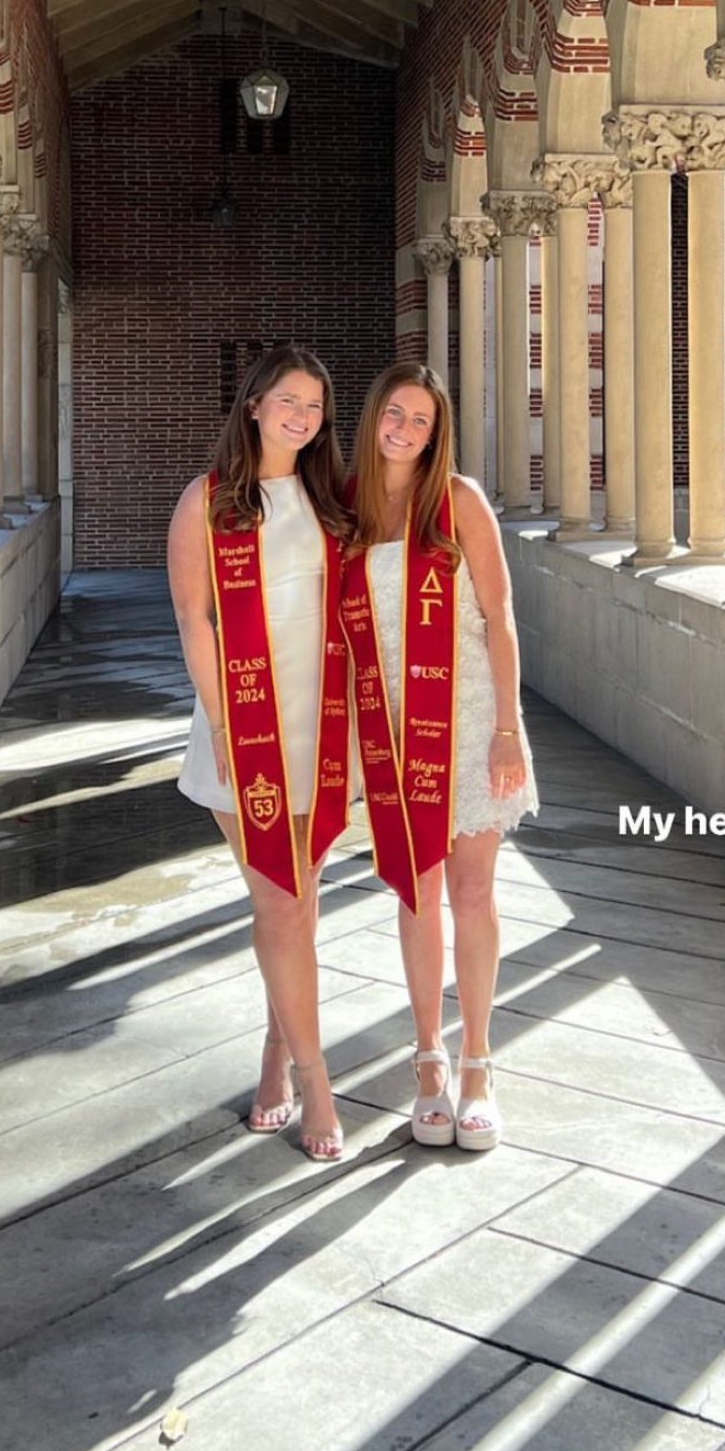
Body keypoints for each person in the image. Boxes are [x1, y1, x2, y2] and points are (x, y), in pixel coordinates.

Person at [341, 361, 537, 1151]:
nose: (406, 430)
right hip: (391, 725)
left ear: (436, 432)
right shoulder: (345, 506)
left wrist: (508, 726)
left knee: (474, 893)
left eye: (421, 420)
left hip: (471, 717)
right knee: (415, 892)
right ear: (373, 416)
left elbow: (500, 615)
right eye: (395, 413)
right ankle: (429, 1063)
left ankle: (479, 1065)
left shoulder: (458, 500)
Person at [168, 344, 353, 1161]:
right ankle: (316, 1082)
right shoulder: (208, 502)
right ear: (253, 405)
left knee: (300, 908)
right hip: (243, 727)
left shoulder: (330, 501)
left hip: (322, 727)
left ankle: (276, 1057)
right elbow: (195, 620)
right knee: (280, 903)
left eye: (314, 405)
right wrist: (222, 726)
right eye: (288, 400)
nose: (301, 416)